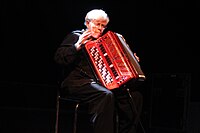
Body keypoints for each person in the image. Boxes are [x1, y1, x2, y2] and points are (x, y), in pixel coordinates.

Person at [54, 9, 144, 133]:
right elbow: (59, 59)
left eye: (103, 26)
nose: (100, 28)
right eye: (97, 24)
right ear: (87, 23)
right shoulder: (75, 36)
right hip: (77, 83)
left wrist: (130, 60)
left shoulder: (106, 42)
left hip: (102, 84)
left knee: (135, 97)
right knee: (105, 95)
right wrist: (77, 46)